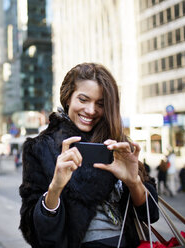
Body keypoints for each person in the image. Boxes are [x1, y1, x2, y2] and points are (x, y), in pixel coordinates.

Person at [19, 63, 159, 248]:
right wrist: (55, 188)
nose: (91, 110)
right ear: (68, 98)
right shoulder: (40, 147)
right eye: (83, 100)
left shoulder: (117, 141)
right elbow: (34, 230)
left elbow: (150, 214)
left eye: (100, 104)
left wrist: (133, 181)